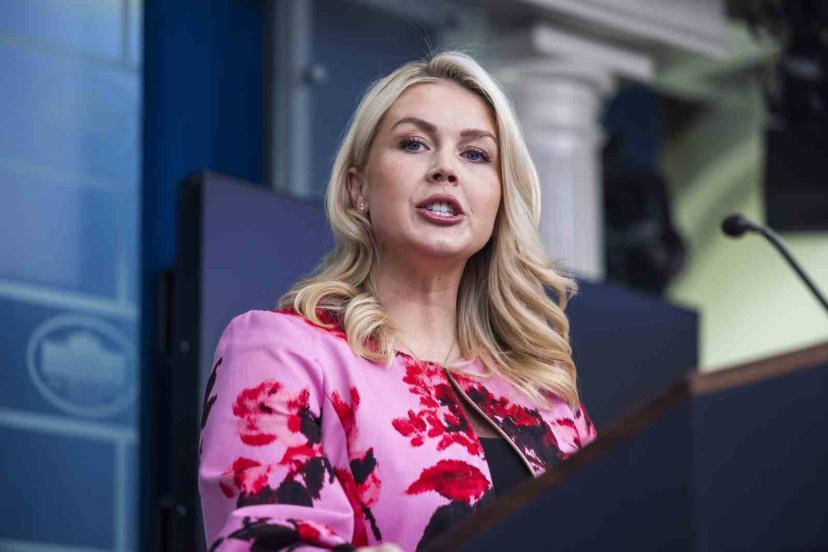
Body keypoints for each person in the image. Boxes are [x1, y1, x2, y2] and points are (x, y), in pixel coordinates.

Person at [198, 51, 596, 552]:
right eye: (414, 144)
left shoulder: (548, 399)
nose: (446, 168)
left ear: (499, 201)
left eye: (476, 154)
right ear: (357, 189)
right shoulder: (283, 350)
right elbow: (264, 542)